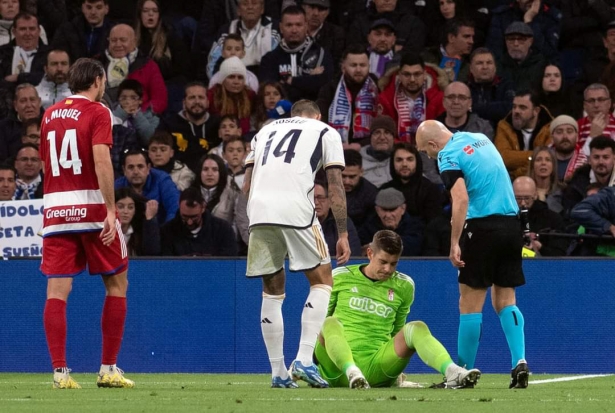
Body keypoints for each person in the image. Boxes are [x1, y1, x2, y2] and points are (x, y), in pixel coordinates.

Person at [39, 57, 133, 389]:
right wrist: (110, 209)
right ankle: (108, 369)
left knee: (57, 291)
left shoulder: (49, 115)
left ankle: (60, 373)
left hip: (56, 211)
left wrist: (53, 208)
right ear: (96, 81)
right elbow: (101, 159)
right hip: (92, 208)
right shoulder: (97, 112)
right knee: (117, 284)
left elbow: (47, 165)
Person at [243, 99, 351, 388]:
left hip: (259, 210)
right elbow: (335, 185)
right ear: (317, 115)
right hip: (296, 210)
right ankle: (303, 359)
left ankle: (278, 372)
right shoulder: (324, 130)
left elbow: (246, 185)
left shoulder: (263, 132)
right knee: (323, 281)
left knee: (272, 292)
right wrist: (342, 233)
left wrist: (254, 217)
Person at [416, 120, 530, 389]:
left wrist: (454, 241)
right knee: (506, 300)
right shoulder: (480, 137)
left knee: (469, 304)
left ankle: (461, 372)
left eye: (424, 151)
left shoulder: (447, 155)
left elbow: (461, 198)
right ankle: (520, 362)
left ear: (433, 144)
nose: (428, 156)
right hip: (512, 224)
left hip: (481, 228)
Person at [315, 229, 481, 389]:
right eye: (383, 262)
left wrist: (396, 368)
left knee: (416, 327)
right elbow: (320, 326)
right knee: (329, 322)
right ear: (370, 253)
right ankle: (352, 370)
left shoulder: (404, 285)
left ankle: (453, 372)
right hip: (336, 370)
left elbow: (397, 332)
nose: (388, 269)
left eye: (393, 263)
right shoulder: (340, 276)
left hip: (377, 366)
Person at [259, 6, 334, 102]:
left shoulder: (321, 55)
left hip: (313, 112)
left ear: (306, 26)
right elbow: (269, 93)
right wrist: (309, 79)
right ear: (281, 28)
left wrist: (291, 81)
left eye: (298, 25)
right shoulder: (269, 59)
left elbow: (325, 87)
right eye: (289, 25)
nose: (294, 30)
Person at [317, 44, 379, 149]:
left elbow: (383, 125)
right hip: (334, 147)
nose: (358, 70)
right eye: (353, 65)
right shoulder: (330, 89)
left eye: (363, 65)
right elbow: (320, 122)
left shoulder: (377, 89)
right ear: (343, 67)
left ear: (369, 66)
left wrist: (360, 145)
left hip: (369, 148)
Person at [158, 81, 220, 173]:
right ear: (184, 102)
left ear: (207, 102)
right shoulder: (168, 124)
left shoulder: (218, 124)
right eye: (192, 98)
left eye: (201, 97)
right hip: (177, 174)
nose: (197, 101)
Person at [160, 186, 238, 256]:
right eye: (185, 217)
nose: (189, 222)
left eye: (194, 217)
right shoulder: (167, 231)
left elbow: (229, 263)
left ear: (203, 207)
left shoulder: (223, 229)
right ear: (179, 206)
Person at [494, 88, 553, 179]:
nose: (516, 111)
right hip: (510, 182)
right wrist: (534, 156)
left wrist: (516, 171)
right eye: (514, 107)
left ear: (536, 111)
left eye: (522, 107)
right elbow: (503, 158)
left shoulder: (552, 128)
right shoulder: (504, 126)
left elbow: (548, 161)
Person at [380, 142, 443, 224]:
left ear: (417, 162)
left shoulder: (431, 190)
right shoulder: (384, 190)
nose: (404, 164)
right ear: (392, 163)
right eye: (399, 160)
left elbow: (433, 226)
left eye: (410, 159)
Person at [114, 148, 179, 224]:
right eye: (131, 167)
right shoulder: (118, 186)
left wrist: (167, 232)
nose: (136, 172)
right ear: (124, 170)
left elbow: (174, 210)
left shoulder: (162, 180)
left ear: (148, 168)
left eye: (140, 166)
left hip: (160, 231)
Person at [358, 187, 424, 256]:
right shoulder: (367, 228)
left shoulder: (415, 226)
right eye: (384, 210)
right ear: (377, 210)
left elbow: (413, 248)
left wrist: (377, 245)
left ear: (403, 209)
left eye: (392, 210)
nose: (388, 215)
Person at [512, 176, 567, 256]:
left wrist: (540, 247)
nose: (523, 203)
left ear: (535, 195)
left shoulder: (553, 219)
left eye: (527, 198)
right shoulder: (505, 218)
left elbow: (560, 254)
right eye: (518, 198)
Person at [466, 47, 514, 128]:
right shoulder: (464, 88)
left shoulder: (506, 85)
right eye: (479, 63)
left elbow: (509, 109)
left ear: (495, 67)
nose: (485, 67)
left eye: (489, 63)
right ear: (471, 68)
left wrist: (474, 108)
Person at [314, 181, 361, 257]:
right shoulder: (298, 223)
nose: (316, 202)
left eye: (320, 198)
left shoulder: (343, 222)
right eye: (311, 198)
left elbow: (354, 254)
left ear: (330, 202)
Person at [422, 19, 475, 83]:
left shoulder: (469, 66)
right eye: (466, 36)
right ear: (451, 38)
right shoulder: (426, 57)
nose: (471, 41)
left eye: (472, 37)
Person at [115, 186, 160, 256]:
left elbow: (152, 254)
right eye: (120, 207)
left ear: (135, 211)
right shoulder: (104, 231)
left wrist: (149, 219)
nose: (126, 211)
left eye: (130, 207)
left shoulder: (139, 231)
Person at [113, 79, 159, 146]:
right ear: (118, 99)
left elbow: (150, 140)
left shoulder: (151, 118)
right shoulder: (110, 115)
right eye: (124, 98)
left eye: (133, 98)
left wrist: (137, 116)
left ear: (140, 100)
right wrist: (122, 113)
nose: (128, 102)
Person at [342, 148, 378, 229]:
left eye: (352, 177)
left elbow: (369, 227)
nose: (347, 181)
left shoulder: (371, 194)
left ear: (361, 172)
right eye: (343, 176)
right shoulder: (324, 187)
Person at [528, 146, 563, 213]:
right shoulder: (524, 191)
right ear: (532, 165)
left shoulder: (563, 192)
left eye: (548, 160)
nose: (543, 163)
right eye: (538, 160)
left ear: (553, 166)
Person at [549, 115, 578, 182]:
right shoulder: (543, 161)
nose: (565, 136)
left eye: (569, 131)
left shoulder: (585, 162)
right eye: (559, 132)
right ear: (552, 138)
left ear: (577, 137)